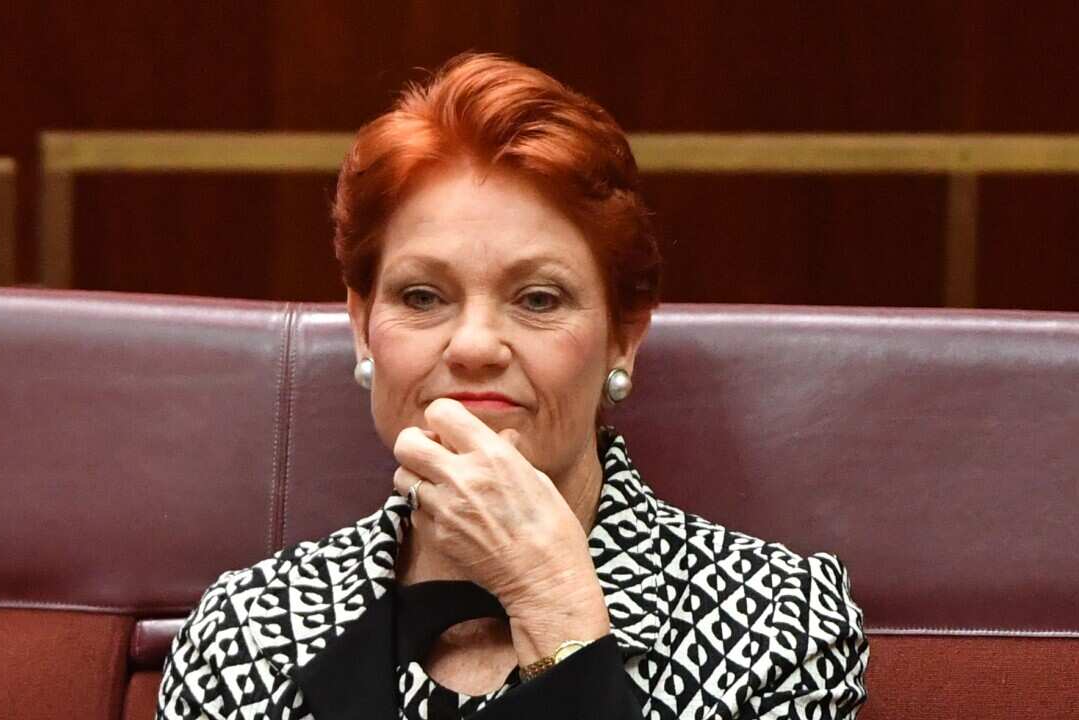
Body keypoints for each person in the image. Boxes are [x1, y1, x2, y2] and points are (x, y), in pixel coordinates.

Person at [157, 53, 868, 719]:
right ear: (361, 325)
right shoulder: (246, 629)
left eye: (537, 300)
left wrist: (554, 606)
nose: (471, 346)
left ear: (624, 336)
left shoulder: (778, 625)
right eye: (424, 296)